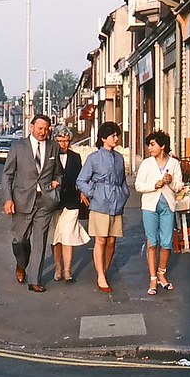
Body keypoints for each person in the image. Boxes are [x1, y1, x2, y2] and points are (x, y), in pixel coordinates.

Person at [0, 114, 63, 293]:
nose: (43, 132)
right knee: (19, 239)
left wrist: (57, 183)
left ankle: (35, 280)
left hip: (45, 201)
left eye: (46, 129)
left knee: (40, 242)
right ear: (32, 127)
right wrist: (8, 199)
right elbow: (7, 175)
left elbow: (58, 172)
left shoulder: (53, 147)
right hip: (21, 201)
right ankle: (21, 264)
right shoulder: (18, 147)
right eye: (40, 128)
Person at [76, 121, 129, 293]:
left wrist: (124, 194)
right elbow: (81, 180)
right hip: (100, 203)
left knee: (112, 241)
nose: (116, 138)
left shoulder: (119, 158)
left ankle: (104, 270)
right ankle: (101, 276)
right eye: (113, 135)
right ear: (103, 138)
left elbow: (122, 181)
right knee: (101, 240)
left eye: (116, 135)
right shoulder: (94, 158)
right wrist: (93, 193)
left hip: (116, 203)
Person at [134, 130, 184, 295]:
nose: (150, 148)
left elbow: (179, 187)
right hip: (150, 206)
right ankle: (153, 278)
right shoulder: (147, 164)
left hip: (167, 206)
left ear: (162, 146)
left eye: (153, 144)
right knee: (152, 242)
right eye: (149, 145)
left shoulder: (174, 164)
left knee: (167, 242)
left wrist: (170, 182)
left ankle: (162, 273)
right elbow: (139, 186)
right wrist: (154, 185)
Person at [51, 125, 90, 283]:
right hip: (53, 203)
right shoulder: (49, 157)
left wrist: (82, 192)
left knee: (68, 236)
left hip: (71, 202)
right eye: (60, 140)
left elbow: (80, 178)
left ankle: (67, 270)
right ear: (54, 140)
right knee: (56, 238)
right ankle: (58, 268)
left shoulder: (75, 157)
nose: (63, 144)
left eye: (66, 141)